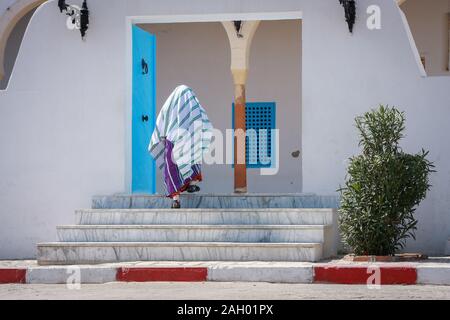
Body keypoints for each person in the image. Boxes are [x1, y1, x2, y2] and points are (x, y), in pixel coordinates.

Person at [148, 85, 213, 208]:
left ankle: (175, 199)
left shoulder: (169, 105)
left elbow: (161, 122)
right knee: (193, 155)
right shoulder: (191, 103)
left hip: (171, 140)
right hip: (187, 138)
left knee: (171, 169)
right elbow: (201, 119)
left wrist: (163, 136)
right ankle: (191, 182)